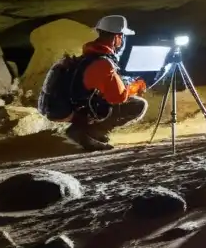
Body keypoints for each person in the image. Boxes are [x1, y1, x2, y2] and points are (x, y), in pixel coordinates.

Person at [38, 15, 148, 152]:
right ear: (117, 38)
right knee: (138, 104)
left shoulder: (85, 58)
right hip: (77, 111)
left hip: (61, 107)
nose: (122, 41)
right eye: (122, 37)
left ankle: (87, 131)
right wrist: (134, 87)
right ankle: (87, 132)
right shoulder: (104, 63)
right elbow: (118, 98)